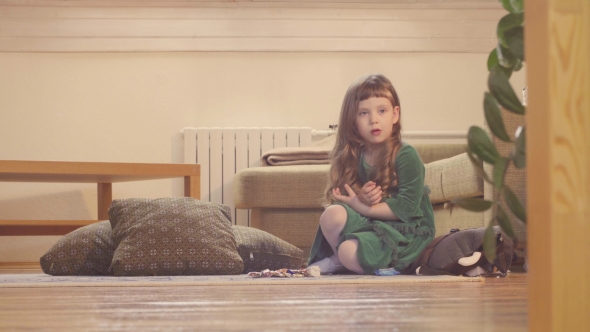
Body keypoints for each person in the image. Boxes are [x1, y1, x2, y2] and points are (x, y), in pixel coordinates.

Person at [307, 74, 435, 275]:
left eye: (381, 111)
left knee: (348, 250)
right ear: (352, 121)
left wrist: (366, 207)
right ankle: (345, 260)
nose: (374, 119)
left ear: (395, 114)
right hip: (371, 225)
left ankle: (349, 259)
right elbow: (341, 197)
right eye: (363, 113)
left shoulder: (406, 154)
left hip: (403, 231)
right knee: (331, 215)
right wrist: (360, 198)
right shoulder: (353, 154)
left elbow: (408, 208)